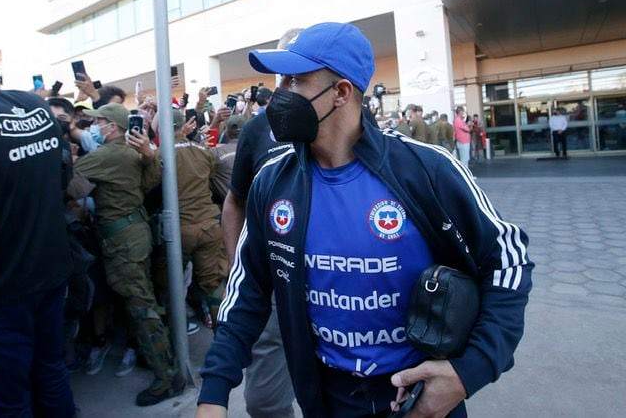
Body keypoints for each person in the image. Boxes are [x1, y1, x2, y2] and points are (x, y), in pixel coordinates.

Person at [197, 22, 532, 418]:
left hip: (421, 398)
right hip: (328, 399)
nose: (279, 96)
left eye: (295, 81)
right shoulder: (273, 182)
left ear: (341, 92)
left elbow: (508, 261)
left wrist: (467, 372)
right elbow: (248, 290)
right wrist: (213, 393)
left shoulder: (425, 169)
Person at [74, 103, 184, 406]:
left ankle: (165, 376)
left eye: (99, 122)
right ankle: (161, 358)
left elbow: (69, 186)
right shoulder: (137, 153)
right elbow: (150, 182)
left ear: (112, 126)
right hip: (136, 232)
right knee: (145, 300)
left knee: (141, 307)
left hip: (122, 239)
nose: (95, 126)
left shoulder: (105, 156)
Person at [218, 28, 300, 418]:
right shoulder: (256, 128)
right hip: (271, 282)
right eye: (280, 76)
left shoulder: (351, 126)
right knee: (264, 403)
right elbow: (234, 200)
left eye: (296, 75)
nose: (285, 86)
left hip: (337, 287)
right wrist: (239, 262)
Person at [0, 80, 75, 416]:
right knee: (51, 371)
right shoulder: (34, 105)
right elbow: (63, 176)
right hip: (50, 267)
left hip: (0, 289)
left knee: (9, 396)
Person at [129, 109, 229, 325]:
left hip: (179, 230)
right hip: (210, 225)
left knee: (167, 286)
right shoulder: (203, 151)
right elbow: (209, 177)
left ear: (160, 128)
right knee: (214, 285)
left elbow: (146, 186)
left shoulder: (160, 154)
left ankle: (175, 341)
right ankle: (223, 337)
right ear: (182, 125)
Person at [210, 115, 244, 206]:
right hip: (257, 207)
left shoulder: (215, 153)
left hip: (231, 208)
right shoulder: (256, 150)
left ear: (226, 132)